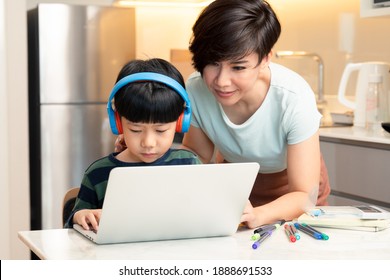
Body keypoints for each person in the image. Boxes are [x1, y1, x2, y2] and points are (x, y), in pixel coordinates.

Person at [115, 0, 330, 229]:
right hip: (234, 190)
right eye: (212, 64)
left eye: (238, 67)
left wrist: (258, 215)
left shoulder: (293, 98)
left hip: (291, 196)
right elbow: (197, 156)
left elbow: (303, 194)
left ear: (265, 58)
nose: (221, 82)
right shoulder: (197, 88)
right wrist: (153, 147)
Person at [65, 58, 202, 231]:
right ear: (118, 123)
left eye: (160, 131)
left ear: (180, 123)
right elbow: (70, 231)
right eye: (136, 130)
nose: (148, 143)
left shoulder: (189, 164)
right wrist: (79, 217)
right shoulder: (98, 174)